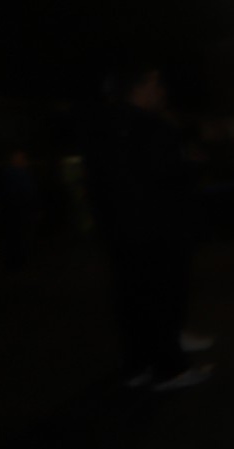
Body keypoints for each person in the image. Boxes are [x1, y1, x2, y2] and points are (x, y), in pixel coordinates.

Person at [82, 58, 213, 392]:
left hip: (122, 232)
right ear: (140, 86)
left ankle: (138, 365)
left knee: (133, 300)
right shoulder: (152, 127)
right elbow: (166, 178)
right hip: (158, 231)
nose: (162, 89)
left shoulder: (102, 126)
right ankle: (170, 368)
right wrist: (191, 166)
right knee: (163, 297)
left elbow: (101, 184)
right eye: (156, 83)